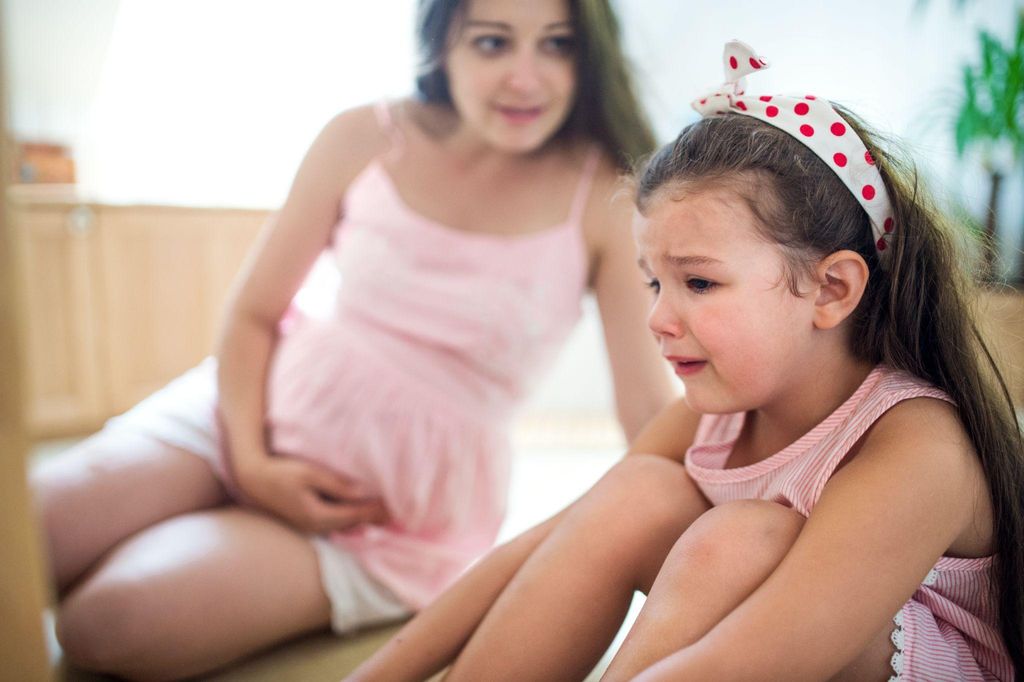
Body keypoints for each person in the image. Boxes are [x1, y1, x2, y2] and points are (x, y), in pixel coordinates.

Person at [31, 0, 677, 678]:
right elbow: (253, 311)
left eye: (557, 45)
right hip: (238, 417)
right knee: (33, 534)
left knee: (104, 623)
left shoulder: (605, 196)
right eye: (492, 44)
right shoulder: (364, 135)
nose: (527, 77)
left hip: (382, 516)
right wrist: (250, 462)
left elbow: (645, 411)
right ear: (441, 44)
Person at [347, 41, 1024, 681]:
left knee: (740, 539)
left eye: (698, 283)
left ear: (831, 289)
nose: (658, 319)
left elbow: (750, 658)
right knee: (637, 493)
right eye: (654, 282)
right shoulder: (716, 419)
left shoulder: (918, 447)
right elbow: (546, 546)